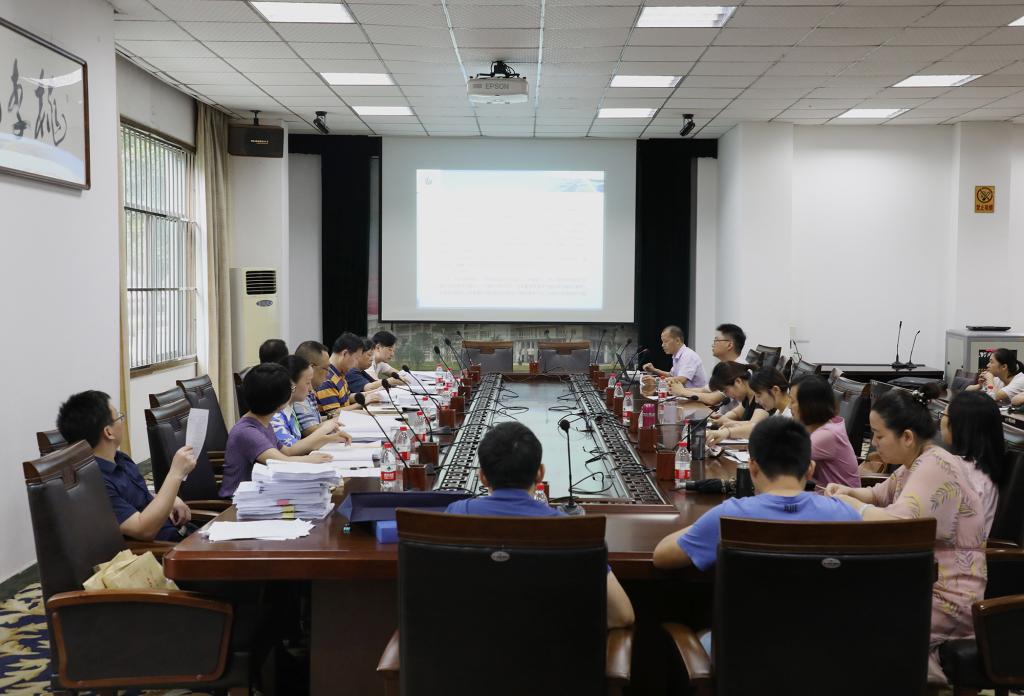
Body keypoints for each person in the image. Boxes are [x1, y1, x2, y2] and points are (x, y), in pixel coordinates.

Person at [825, 387, 1003, 685]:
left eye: (879, 435)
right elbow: (880, 494)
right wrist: (849, 492)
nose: (874, 443)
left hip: (946, 596)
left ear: (907, 437)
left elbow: (900, 524)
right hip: (919, 581)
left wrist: (853, 506)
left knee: (854, 620)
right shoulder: (919, 461)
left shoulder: (936, 465)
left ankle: (916, 680)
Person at [445, 422, 635, 629]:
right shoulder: (570, 532)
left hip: (469, 647)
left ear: (482, 476)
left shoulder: (457, 515)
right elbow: (623, 615)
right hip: (553, 649)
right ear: (540, 474)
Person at [654, 416, 860, 572]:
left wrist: (704, 525)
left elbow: (662, 556)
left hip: (744, 619)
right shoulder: (845, 515)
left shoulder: (727, 517)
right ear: (810, 469)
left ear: (752, 467)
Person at [56, 390, 197, 542]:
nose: (122, 422)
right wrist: (175, 474)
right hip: (164, 549)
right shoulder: (97, 484)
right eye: (119, 417)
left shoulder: (120, 458)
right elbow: (143, 529)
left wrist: (169, 500)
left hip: (179, 533)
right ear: (108, 432)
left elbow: (138, 499)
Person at [221, 363, 334, 497]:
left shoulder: (264, 422)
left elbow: (286, 451)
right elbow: (281, 462)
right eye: (291, 389)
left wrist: (327, 439)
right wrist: (311, 460)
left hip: (260, 493)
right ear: (279, 399)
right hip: (239, 501)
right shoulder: (247, 432)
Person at [789, 375, 860, 488]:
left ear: (809, 405)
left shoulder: (827, 435)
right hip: (823, 494)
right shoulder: (823, 425)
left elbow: (784, 460)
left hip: (839, 498)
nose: (789, 406)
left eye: (793, 401)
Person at [272, 355, 352, 454]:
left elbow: (299, 444)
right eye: (307, 383)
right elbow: (290, 450)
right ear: (291, 384)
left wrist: (330, 438)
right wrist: (324, 429)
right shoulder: (276, 415)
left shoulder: (290, 410)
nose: (311, 389)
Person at [670, 323, 746, 406]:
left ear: (729, 345)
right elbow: (704, 390)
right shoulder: (725, 366)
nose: (712, 344)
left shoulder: (738, 369)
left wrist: (682, 391)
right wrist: (676, 389)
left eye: (716, 340)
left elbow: (712, 399)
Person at [705, 362, 769, 445]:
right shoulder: (748, 397)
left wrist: (728, 425)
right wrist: (721, 419)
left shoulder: (761, 398)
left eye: (726, 391)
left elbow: (754, 426)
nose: (727, 395)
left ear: (738, 381)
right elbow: (735, 413)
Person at [316, 332, 375, 416]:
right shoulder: (327, 379)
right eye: (356, 358)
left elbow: (347, 398)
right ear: (345, 354)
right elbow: (334, 413)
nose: (356, 364)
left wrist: (370, 394)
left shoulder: (340, 374)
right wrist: (362, 403)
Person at [642, 325, 708, 389]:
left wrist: (655, 381)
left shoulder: (688, 355)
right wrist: (654, 370)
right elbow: (671, 375)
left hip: (696, 395)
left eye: (666, 341)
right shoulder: (677, 355)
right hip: (685, 394)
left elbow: (681, 380)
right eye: (662, 342)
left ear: (677, 341)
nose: (662, 345)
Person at [294, 340, 330, 434]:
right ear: (311, 367)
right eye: (326, 368)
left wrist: (332, 418)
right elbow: (310, 430)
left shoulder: (309, 390)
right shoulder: (299, 392)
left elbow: (315, 422)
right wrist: (336, 422)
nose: (328, 374)